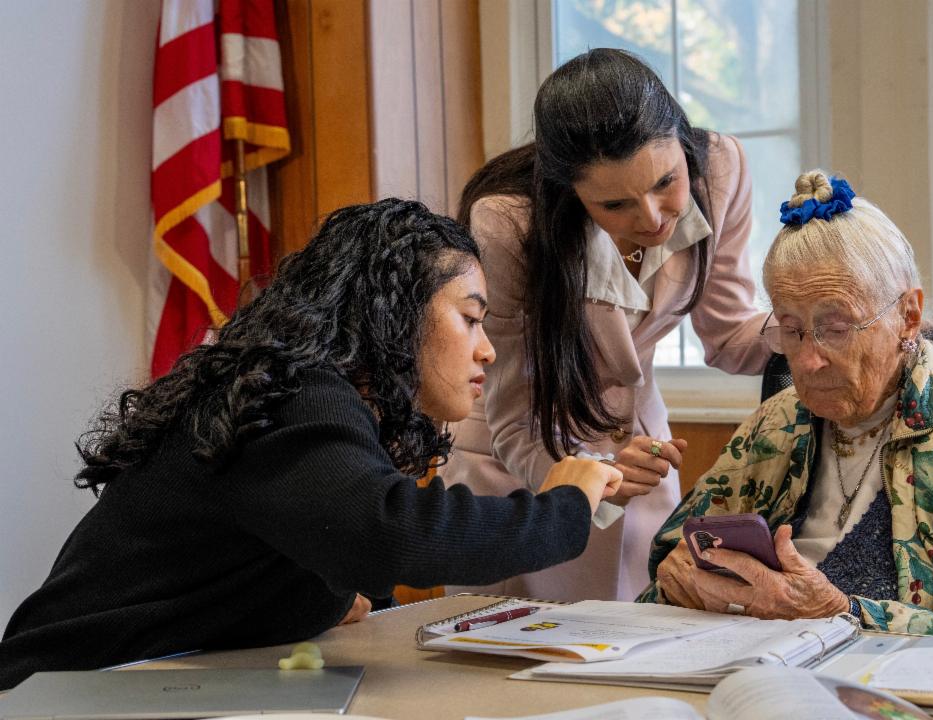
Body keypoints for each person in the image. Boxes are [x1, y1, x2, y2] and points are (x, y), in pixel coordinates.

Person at [0, 199, 622, 690]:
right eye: (469, 317)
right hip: (66, 691)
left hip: (140, 681)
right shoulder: (293, 397)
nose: (487, 348)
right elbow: (390, 535)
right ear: (397, 312)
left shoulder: (312, 398)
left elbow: (302, 559)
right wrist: (562, 506)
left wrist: (322, 598)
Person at [638, 171, 933, 640]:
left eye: (835, 329)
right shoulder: (778, 423)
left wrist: (837, 614)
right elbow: (676, 553)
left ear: (908, 316)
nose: (810, 361)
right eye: (792, 331)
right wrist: (681, 577)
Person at [440, 48, 772, 602]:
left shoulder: (720, 170)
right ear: (568, 191)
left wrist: (828, 320)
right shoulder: (508, 222)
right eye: (615, 204)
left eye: (666, 181)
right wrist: (593, 478)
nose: (651, 218)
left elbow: (732, 335)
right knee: (519, 664)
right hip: (520, 463)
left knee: (644, 646)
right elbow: (516, 417)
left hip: (641, 455)